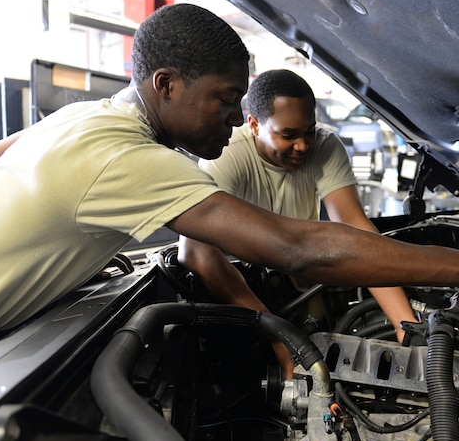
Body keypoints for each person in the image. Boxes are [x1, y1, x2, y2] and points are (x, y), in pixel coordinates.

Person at [0, 3, 459, 360]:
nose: (233, 118)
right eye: (223, 99)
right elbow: (297, 247)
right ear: (166, 85)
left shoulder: (89, 119)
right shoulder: (127, 157)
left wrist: (73, 246)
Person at [178, 69, 417, 376]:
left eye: (310, 131)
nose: (303, 145)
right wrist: (276, 335)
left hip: (303, 281)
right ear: (253, 125)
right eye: (288, 135)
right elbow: (196, 254)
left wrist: (404, 326)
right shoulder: (228, 156)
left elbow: (359, 231)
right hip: (242, 292)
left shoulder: (326, 148)